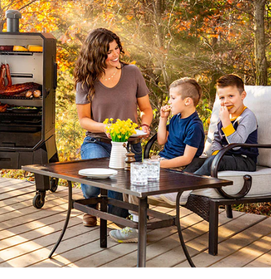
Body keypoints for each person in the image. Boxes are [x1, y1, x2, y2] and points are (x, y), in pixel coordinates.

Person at [110, 77, 205, 243]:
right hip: (163, 163)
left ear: (188, 101)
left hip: (177, 170)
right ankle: (137, 220)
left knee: (135, 179)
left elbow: (186, 158)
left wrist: (158, 164)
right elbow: (161, 140)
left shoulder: (194, 126)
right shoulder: (176, 118)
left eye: (173, 98)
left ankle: (137, 226)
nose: (169, 101)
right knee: (126, 176)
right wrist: (163, 118)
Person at [75, 28, 153, 227]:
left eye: (116, 48)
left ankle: (115, 215)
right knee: (94, 183)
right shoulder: (86, 80)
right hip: (97, 140)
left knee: (117, 213)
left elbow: (146, 109)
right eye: (109, 51)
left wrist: (144, 125)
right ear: (96, 54)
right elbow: (84, 119)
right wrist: (104, 127)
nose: (115, 54)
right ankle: (90, 204)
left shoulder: (132, 72)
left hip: (129, 145)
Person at [158, 74, 259, 208]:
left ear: (242, 95)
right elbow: (217, 139)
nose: (226, 101)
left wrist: (226, 122)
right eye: (222, 97)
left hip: (245, 159)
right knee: (196, 161)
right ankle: (177, 188)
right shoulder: (224, 115)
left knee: (214, 160)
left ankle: (184, 191)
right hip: (225, 155)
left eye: (231, 96)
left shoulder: (247, 116)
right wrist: (216, 152)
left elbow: (235, 145)